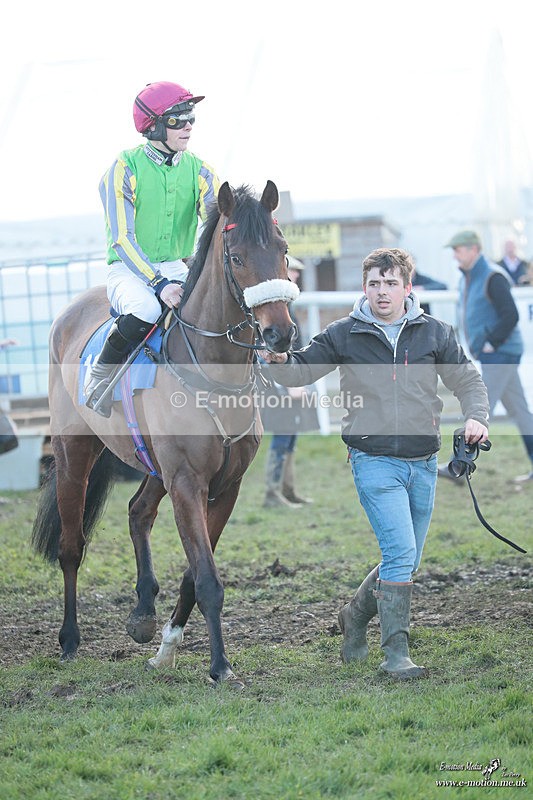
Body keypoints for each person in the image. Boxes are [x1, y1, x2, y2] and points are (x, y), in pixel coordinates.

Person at [261, 247, 489, 679]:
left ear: (407, 286)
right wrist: (276, 361)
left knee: (405, 559)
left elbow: (468, 379)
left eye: (390, 283)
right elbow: (301, 371)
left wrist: (477, 416)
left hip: (424, 462)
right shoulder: (343, 334)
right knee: (401, 552)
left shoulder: (435, 333)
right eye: (374, 283)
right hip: (372, 460)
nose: (382, 292)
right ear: (364, 287)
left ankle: (353, 615)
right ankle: (396, 653)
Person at [84, 81, 220, 416]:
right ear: (154, 125)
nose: (187, 125)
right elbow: (122, 238)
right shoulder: (123, 168)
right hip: (129, 269)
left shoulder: (200, 170)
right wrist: (159, 284)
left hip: (177, 265)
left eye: (190, 117)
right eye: (177, 119)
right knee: (145, 309)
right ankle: (99, 378)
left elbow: (217, 223)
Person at [445, 230, 533, 484]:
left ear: (473, 249)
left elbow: (511, 315)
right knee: (521, 413)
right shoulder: (470, 277)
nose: (454, 255)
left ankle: (458, 467)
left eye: (458, 249)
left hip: (501, 354)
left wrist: (492, 343)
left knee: (479, 408)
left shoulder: (493, 276)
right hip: (497, 355)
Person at [260, 256, 317, 508]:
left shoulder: (286, 305)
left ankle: (287, 489)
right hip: (279, 383)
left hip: (290, 379)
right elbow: (267, 351)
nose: (295, 277)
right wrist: (288, 385)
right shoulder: (272, 308)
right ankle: (273, 493)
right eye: (292, 272)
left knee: (290, 434)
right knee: (283, 433)